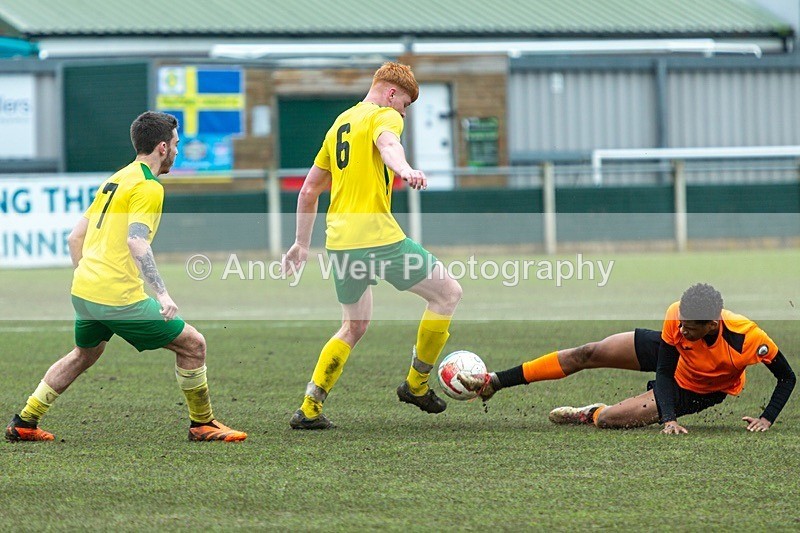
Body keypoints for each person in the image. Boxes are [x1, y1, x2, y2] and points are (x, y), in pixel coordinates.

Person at [5, 111, 247, 443]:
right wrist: (162, 294)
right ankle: (202, 424)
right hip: (116, 297)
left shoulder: (116, 179)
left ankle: (25, 421)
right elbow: (137, 241)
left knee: (84, 354)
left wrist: (89, 278)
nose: (177, 151)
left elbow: (75, 237)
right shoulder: (148, 186)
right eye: (176, 144)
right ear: (162, 147)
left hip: (85, 291)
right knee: (193, 345)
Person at [283, 62, 463, 429]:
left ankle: (310, 407)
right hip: (377, 239)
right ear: (392, 93)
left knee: (353, 326)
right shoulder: (385, 115)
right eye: (405, 104)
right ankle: (416, 384)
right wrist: (404, 169)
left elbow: (308, 190)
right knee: (447, 294)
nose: (403, 113)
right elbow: (388, 144)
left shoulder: (340, 124)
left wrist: (301, 243)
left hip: (340, 242)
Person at [458, 283, 795, 434]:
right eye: (680, 322)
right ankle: (496, 382)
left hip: (699, 389)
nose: (681, 328)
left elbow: (787, 377)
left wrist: (767, 418)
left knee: (609, 421)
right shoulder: (678, 317)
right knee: (588, 352)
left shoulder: (749, 339)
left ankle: (590, 412)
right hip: (674, 364)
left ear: (712, 324)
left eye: (689, 327)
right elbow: (665, 370)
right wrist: (668, 419)